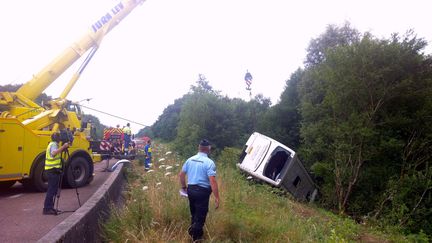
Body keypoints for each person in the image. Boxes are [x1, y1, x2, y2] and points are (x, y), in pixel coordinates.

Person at [178, 139, 220, 242]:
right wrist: (217, 197)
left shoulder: (190, 159)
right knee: (200, 216)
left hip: (191, 190)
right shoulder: (209, 162)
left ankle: (194, 234)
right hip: (202, 192)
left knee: (194, 213)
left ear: (199, 148)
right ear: (208, 149)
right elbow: (212, 180)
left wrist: (184, 187)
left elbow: (181, 174)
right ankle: (196, 238)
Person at [43, 132, 70, 215]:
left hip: (53, 170)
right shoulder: (54, 144)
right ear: (58, 139)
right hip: (52, 171)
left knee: (53, 189)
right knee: (51, 190)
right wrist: (64, 147)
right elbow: (54, 153)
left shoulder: (52, 144)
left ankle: (50, 207)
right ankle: (47, 209)